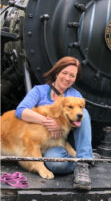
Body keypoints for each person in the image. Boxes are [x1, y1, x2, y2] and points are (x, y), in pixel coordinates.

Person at [15, 56, 93, 189]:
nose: (67, 78)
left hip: (62, 141)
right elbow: (21, 111)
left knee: (83, 113)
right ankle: (83, 157)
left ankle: (83, 163)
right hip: (44, 143)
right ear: (57, 72)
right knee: (56, 165)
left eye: (72, 76)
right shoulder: (39, 91)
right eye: (65, 73)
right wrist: (47, 122)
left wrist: (63, 125)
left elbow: (79, 121)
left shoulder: (75, 95)